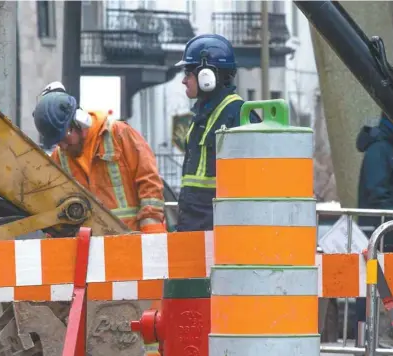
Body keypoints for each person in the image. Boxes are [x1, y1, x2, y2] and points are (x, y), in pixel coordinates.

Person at [32, 82, 166, 233]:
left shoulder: (119, 134)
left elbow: (149, 182)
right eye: (57, 142)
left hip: (131, 241)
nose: (62, 146)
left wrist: (152, 235)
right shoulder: (60, 157)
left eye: (65, 138)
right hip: (90, 250)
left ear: (79, 122)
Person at [175, 34, 261, 231]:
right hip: (195, 226)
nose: (183, 80)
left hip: (220, 231)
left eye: (188, 73)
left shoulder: (238, 115)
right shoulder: (202, 116)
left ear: (207, 76)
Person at [354, 113, 393, 346]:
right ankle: (366, 337)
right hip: (383, 230)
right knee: (369, 281)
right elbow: (377, 192)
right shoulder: (381, 150)